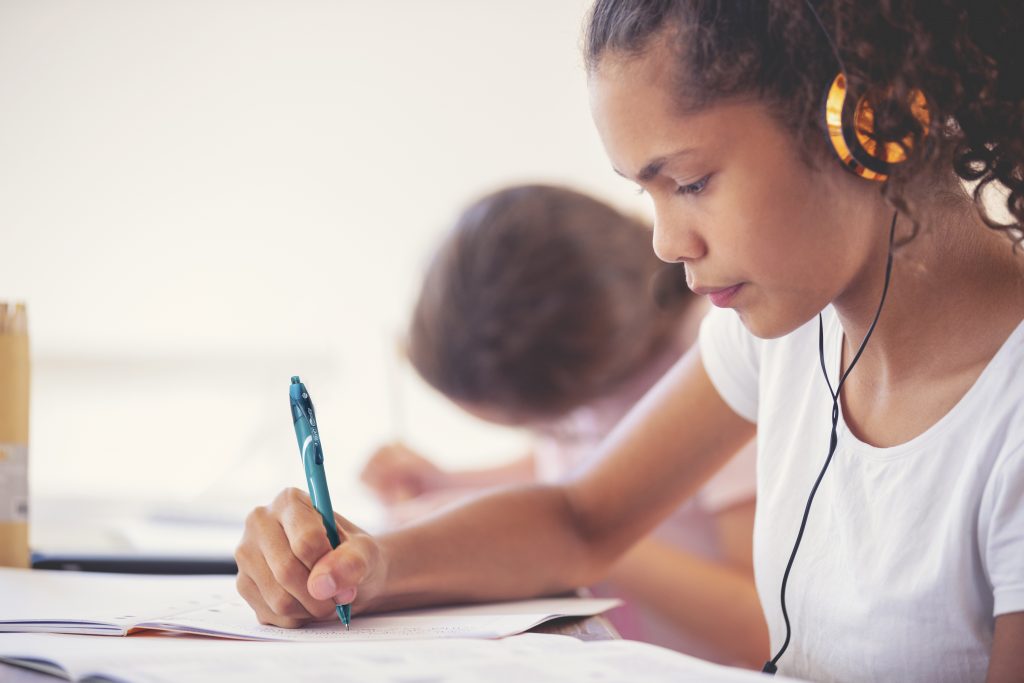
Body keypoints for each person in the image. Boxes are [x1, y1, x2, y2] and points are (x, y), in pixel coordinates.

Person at [234, 2, 1024, 681]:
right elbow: (581, 520)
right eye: (645, 193)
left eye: (689, 182)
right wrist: (372, 567)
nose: (665, 243)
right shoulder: (788, 332)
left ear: (871, 121)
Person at [358, 184, 764, 664]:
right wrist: (453, 484)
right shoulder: (608, 360)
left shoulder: (718, 356)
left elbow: (763, 626)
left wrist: (582, 540)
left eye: (549, 426)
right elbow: (580, 468)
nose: (555, 437)